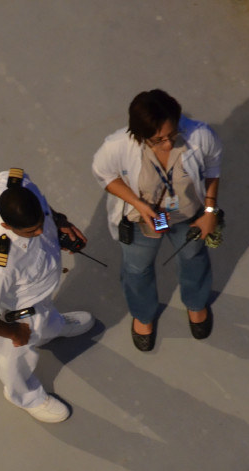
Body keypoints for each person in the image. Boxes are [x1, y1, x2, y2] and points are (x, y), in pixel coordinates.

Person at [92, 89, 222, 351]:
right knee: (137, 269)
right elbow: (103, 173)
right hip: (144, 219)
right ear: (139, 136)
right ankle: (144, 314)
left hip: (187, 215)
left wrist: (209, 213)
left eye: (172, 135)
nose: (167, 144)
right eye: (157, 139)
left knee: (194, 258)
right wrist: (137, 203)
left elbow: (212, 167)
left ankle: (196, 304)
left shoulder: (200, 135)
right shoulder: (117, 146)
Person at [0, 168, 96, 423]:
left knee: (46, 318)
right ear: (6, 226)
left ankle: (51, 328)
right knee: (15, 357)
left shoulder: (15, 182)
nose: (39, 233)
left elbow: (44, 209)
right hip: (19, 312)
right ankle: (24, 395)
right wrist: (15, 333)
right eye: (30, 231)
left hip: (41, 291)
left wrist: (59, 221)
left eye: (40, 225)